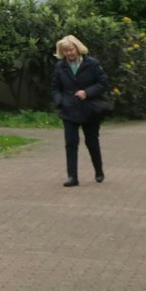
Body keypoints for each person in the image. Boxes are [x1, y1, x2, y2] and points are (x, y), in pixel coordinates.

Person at [49, 34, 109, 187]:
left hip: (90, 110)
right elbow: (55, 88)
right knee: (71, 144)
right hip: (69, 110)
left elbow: (103, 83)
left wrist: (87, 92)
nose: (69, 53)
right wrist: (60, 101)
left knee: (91, 142)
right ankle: (72, 177)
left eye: (71, 50)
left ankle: (99, 170)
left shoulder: (92, 63)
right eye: (65, 51)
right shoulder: (60, 67)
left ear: (77, 48)